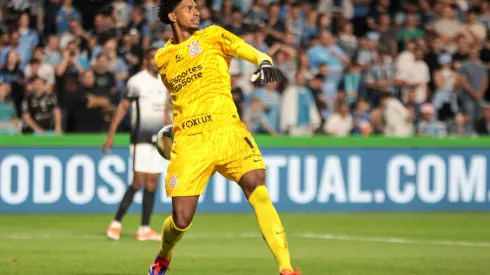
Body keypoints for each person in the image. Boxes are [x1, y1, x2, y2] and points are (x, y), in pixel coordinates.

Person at [149, 0, 300, 275]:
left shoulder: (213, 35)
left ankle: (287, 268)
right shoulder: (162, 58)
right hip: (191, 140)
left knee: (258, 187)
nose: (196, 12)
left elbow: (249, 51)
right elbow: (179, 98)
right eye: (188, 8)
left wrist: (264, 61)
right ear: (172, 15)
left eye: (197, 7)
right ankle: (163, 256)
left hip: (227, 129)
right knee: (181, 220)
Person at [103, 48, 171, 241]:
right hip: (140, 138)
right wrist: (111, 135)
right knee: (138, 181)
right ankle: (116, 223)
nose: (157, 62)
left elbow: (164, 111)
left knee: (152, 183)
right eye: (153, 59)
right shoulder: (136, 81)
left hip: (159, 139)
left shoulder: (165, 81)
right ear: (145, 61)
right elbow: (123, 108)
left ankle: (144, 229)